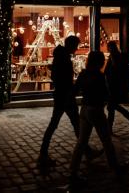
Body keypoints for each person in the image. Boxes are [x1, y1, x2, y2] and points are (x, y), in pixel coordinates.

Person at [38, 35, 100, 167]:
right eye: (76, 46)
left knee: (66, 123)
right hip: (65, 96)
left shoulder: (61, 56)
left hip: (62, 95)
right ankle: (43, 154)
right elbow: (63, 78)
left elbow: (57, 76)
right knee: (72, 124)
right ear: (71, 45)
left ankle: (43, 153)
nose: (77, 49)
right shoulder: (64, 58)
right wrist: (71, 89)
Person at [69, 50, 128, 187]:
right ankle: (116, 168)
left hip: (84, 109)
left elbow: (75, 90)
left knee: (81, 142)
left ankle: (73, 172)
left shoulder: (83, 74)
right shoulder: (100, 76)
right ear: (100, 62)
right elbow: (105, 94)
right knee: (107, 141)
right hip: (96, 110)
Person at [104, 41, 129, 132]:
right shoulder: (114, 57)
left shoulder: (116, 57)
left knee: (111, 106)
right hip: (113, 85)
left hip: (114, 86)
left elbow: (113, 71)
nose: (108, 49)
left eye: (109, 47)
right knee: (112, 106)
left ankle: (109, 127)